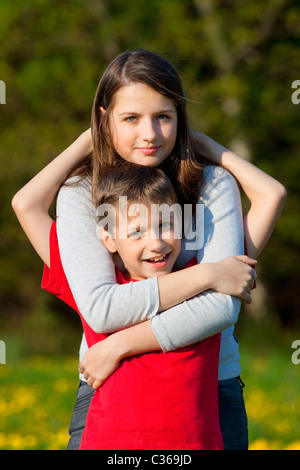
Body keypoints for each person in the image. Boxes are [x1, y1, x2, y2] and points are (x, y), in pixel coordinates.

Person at [12, 49, 286, 450]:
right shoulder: (82, 195)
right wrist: (208, 274)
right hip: (112, 391)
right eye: (130, 118)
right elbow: (102, 309)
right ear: (105, 118)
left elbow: (220, 308)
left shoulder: (210, 186)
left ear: (180, 117)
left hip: (208, 394)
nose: (150, 134)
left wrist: (204, 145)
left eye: (163, 116)